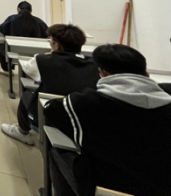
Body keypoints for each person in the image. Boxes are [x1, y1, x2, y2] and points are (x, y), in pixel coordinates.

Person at [43, 44, 171, 196]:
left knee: (57, 151)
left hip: (107, 189)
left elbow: (49, 109)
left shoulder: (87, 103)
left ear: (102, 72)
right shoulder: (167, 98)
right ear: (146, 73)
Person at [0, 24, 99, 146]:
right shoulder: (94, 64)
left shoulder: (42, 60)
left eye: (50, 40)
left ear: (56, 45)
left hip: (51, 117)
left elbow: (27, 69)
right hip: (84, 120)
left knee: (27, 95)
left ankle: (22, 131)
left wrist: (50, 54)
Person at [0, 1, 48, 76]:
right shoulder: (39, 22)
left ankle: (7, 69)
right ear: (31, 10)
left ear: (18, 9)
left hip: (13, 53)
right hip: (35, 55)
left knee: (0, 47)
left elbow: (1, 29)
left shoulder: (11, 19)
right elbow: (47, 34)